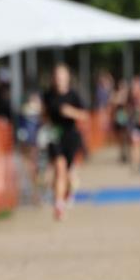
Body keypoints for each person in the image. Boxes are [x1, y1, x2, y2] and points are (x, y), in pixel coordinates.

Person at [42, 63, 89, 220]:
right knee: (59, 167)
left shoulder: (74, 95)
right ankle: (58, 205)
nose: (59, 79)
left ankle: (67, 192)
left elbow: (85, 115)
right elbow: (44, 115)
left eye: (62, 76)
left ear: (67, 78)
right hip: (55, 136)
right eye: (56, 76)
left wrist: (70, 112)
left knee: (67, 173)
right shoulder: (48, 95)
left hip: (71, 136)